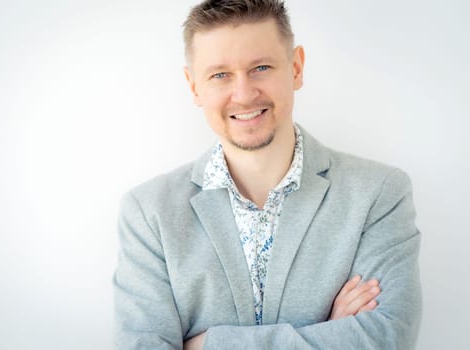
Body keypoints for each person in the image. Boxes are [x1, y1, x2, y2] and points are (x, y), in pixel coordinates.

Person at [113, 0, 421, 349]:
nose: (243, 94)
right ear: (194, 86)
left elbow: (386, 338)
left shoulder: (378, 194)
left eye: (260, 67)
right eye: (220, 75)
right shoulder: (148, 213)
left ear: (296, 68)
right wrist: (329, 334)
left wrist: (205, 344)